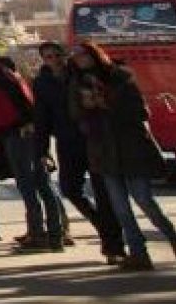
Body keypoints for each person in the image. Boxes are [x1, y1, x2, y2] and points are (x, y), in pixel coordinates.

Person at [70, 40, 176, 271]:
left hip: (130, 150)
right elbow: (76, 115)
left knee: (144, 201)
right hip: (103, 152)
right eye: (76, 56)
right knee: (121, 209)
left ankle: (174, 239)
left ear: (94, 55)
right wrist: (87, 107)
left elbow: (140, 112)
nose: (80, 60)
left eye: (83, 55)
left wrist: (106, 103)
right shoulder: (78, 83)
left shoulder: (120, 78)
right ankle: (138, 253)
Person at [34, 40, 124, 263]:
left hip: (91, 139)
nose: (54, 60)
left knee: (102, 193)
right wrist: (43, 150)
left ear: (64, 56)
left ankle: (113, 245)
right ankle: (103, 227)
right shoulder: (42, 83)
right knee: (70, 189)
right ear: (43, 60)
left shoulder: (78, 75)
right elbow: (42, 117)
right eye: (48, 57)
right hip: (66, 142)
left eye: (57, 55)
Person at [0, 38, 64, 252]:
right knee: (41, 183)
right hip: (21, 131)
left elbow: (18, 98)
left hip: (17, 132)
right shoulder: (5, 69)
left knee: (29, 184)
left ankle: (40, 235)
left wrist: (25, 122)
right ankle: (53, 233)